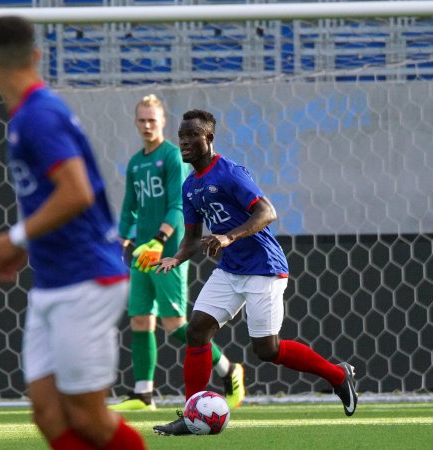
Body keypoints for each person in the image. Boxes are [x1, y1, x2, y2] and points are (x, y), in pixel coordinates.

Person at [0, 16, 145, 450]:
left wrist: (15, 239)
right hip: (53, 279)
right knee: (48, 414)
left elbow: (77, 192)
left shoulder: (39, 115)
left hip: (85, 279)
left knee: (88, 415)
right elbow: (59, 200)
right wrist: (29, 247)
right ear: (36, 55)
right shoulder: (29, 116)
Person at [151, 109, 358, 436]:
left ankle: (337, 375)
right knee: (196, 331)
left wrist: (228, 236)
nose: (185, 142)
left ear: (209, 139)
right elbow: (191, 239)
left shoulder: (230, 174)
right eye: (182, 136)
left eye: (192, 135)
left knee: (267, 351)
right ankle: (192, 415)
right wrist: (174, 258)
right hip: (230, 269)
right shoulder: (190, 187)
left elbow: (267, 212)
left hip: (264, 267)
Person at [110, 95, 245, 411]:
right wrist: (122, 241)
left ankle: (229, 371)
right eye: (142, 120)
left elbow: (176, 206)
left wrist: (159, 240)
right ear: (136, 122)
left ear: (162, 123)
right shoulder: (135, 162)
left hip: (166, 250)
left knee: (174, 325)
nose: (147, 125)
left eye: (152, 120)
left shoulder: (172, 157)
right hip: (142, 253)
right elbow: (129, 208)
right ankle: (144, 395)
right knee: (140, 320)